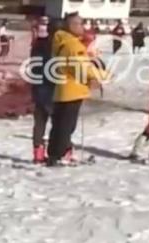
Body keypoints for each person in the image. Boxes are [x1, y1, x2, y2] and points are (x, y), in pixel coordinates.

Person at [47, 13, 105, 167]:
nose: (83, 27)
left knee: (59, 124)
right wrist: (102, 76)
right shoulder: (73, 45)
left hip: (62, 88)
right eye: (80, 24)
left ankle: (56, 154)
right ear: (71, 26)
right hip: (72, 89)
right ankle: (58, 156)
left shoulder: (61, 41)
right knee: (66, 125)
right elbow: (81, 68)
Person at [29, 16, 55, 164]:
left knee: (40, 121)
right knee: (59, 121)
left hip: (39, 85)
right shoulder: (55, 45)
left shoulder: (37, 44)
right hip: (51, 87)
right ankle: (61, 150)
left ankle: (38, 152)